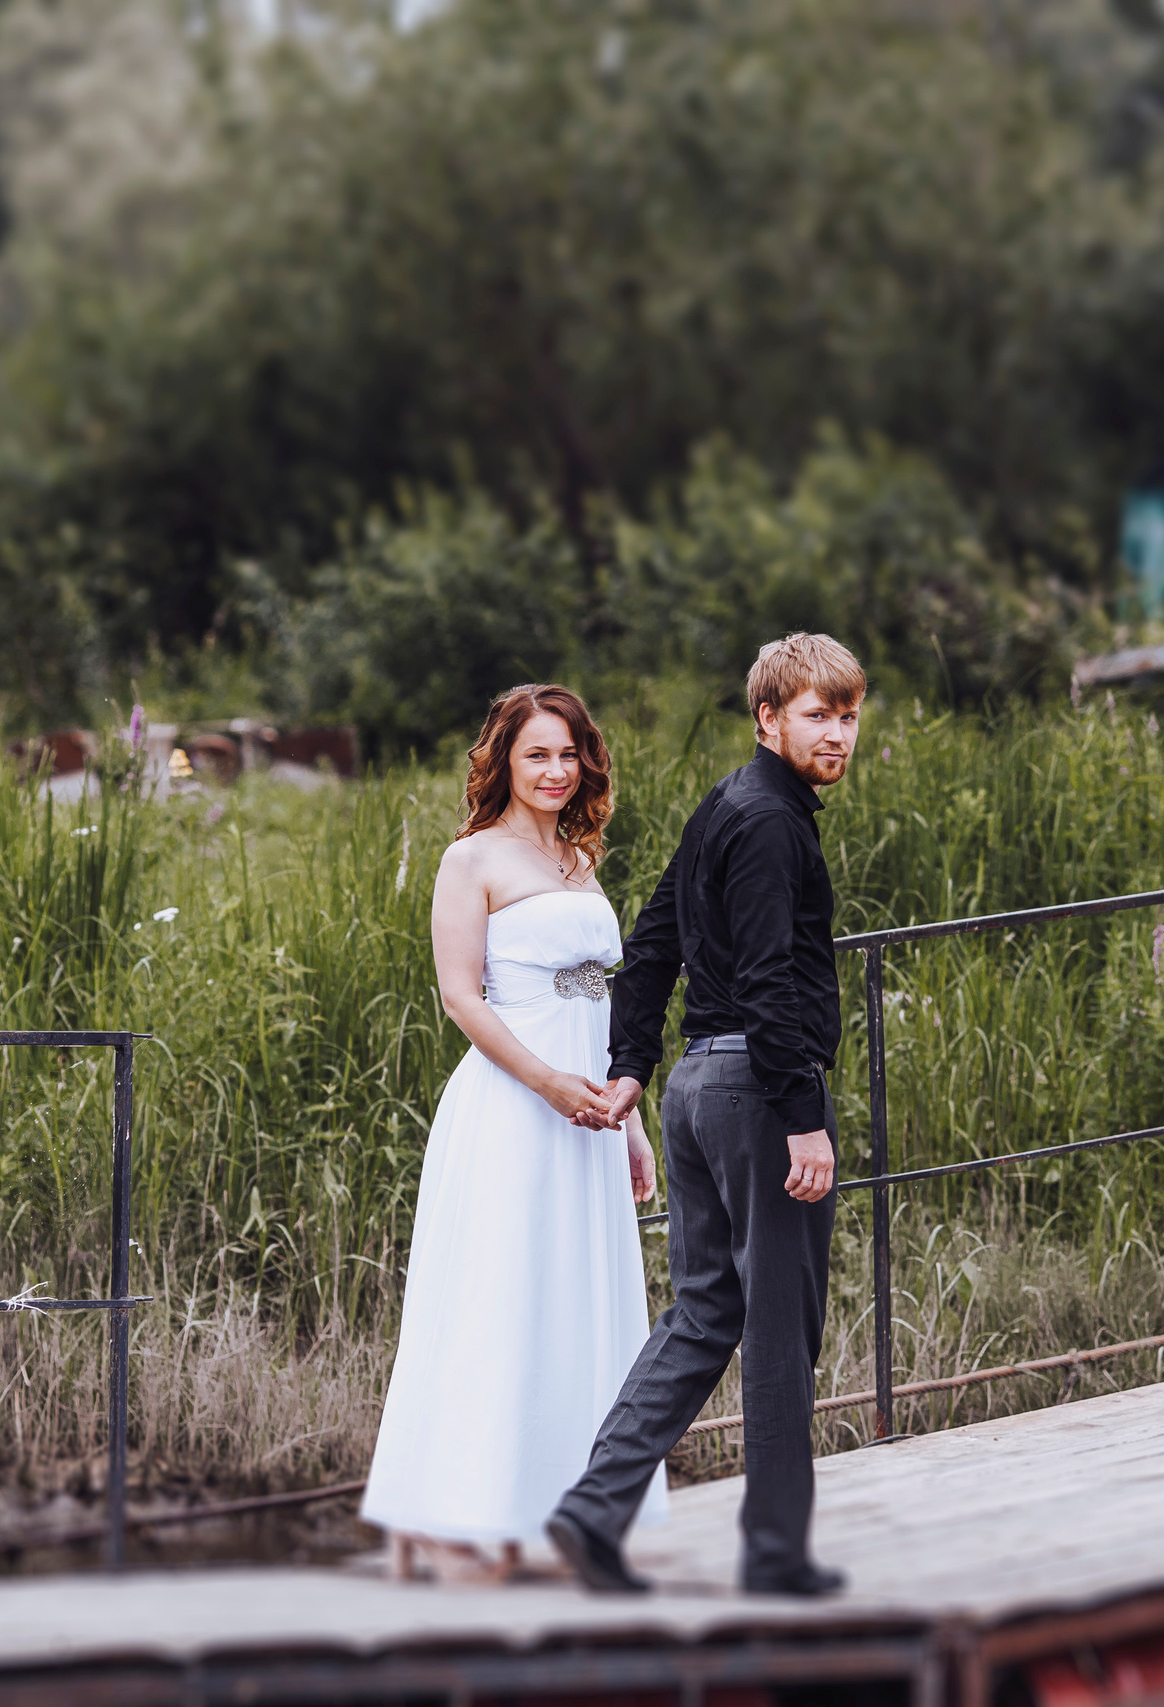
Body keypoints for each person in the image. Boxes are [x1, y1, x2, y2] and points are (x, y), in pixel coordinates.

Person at [546, 632, 863, 1599]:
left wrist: (635, 1064)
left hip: (696, 1090)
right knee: (777, 1327)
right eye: (817, 714)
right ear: (769, 717)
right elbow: (768, 976)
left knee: (705, 1311)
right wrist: (804, 1113)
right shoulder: (771, 823)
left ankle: (593, 1507)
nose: (839, 733)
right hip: (759, 1095)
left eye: (849, 715)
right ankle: (773, 1554)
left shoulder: (726, 803)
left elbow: (652, 938)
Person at [359, 683, 668, 1580]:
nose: (556, 770)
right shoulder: (472, 859)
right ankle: (451, 1513)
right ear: (504, 760)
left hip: (590, 1111)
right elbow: (460, 996)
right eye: (537, 753)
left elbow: (603, 1000)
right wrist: (544, 1084)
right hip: (513, 1106)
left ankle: (561, 1507)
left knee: (574, 1301)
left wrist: (628, 1118)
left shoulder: (580, 857)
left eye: (569, 753)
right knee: (499, 1298)